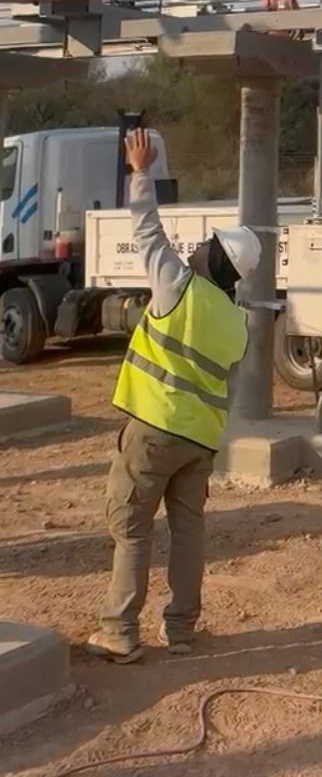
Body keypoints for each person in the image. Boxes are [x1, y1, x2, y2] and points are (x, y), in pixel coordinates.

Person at [87, 128, 260, 663]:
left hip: (153, 431)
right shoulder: (238, 322)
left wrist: (142, 170)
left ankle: (119, 632)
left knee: (133, 528)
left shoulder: (177, 287)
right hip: (199, 443)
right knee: (188, 533)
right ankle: (181, 630)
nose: (195, 249)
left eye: (205, 247)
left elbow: (147, 231)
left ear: (215, 262)